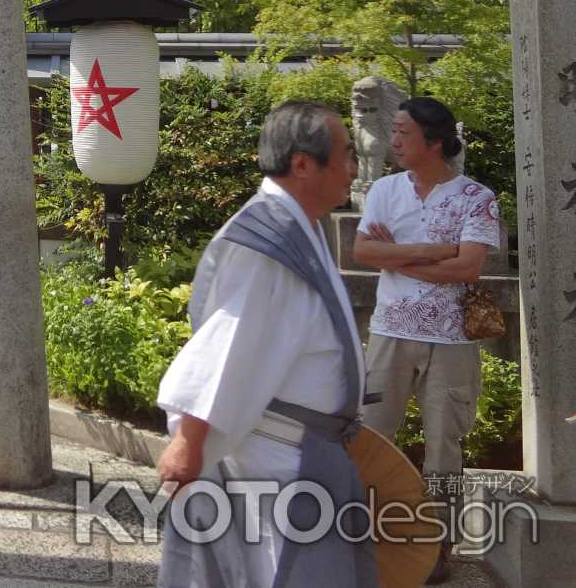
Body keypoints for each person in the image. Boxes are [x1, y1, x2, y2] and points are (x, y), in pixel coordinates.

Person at [156, 101, 374, 588]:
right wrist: (189, 443)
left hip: (303, 449)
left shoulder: (298, 227)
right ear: (302, 164)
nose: (353, 168)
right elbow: (227, 346)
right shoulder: (268, 240)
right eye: (344, 155)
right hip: (280, 456)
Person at [353, 96, 499, 585]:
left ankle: (438, 549)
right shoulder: (383, 189)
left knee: (443, 448)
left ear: (434, 142)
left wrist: (395, 256)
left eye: (403, 133)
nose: (392, 141)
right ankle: (371, 539)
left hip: (452, 338)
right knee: (371, 438)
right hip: (390, 331)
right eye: (392, 131)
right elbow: (362, 250)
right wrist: (434, 250)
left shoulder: (476, 197)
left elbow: (469, 267)